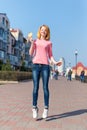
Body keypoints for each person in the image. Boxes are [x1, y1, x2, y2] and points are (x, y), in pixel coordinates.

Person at [29, 24, 61, 119]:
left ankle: (46, 108)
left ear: (47, 32)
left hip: (45, 66)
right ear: (40, 31)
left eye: (45, 30)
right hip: (35, 66)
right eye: (42, 30)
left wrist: (56, 62)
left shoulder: (49, 43)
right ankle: (34, 108)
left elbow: (50, 56)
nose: (43, 31)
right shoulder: (35, 41)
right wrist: (31, 43)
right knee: (35, 88)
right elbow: (31, 53)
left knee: (45, 87)